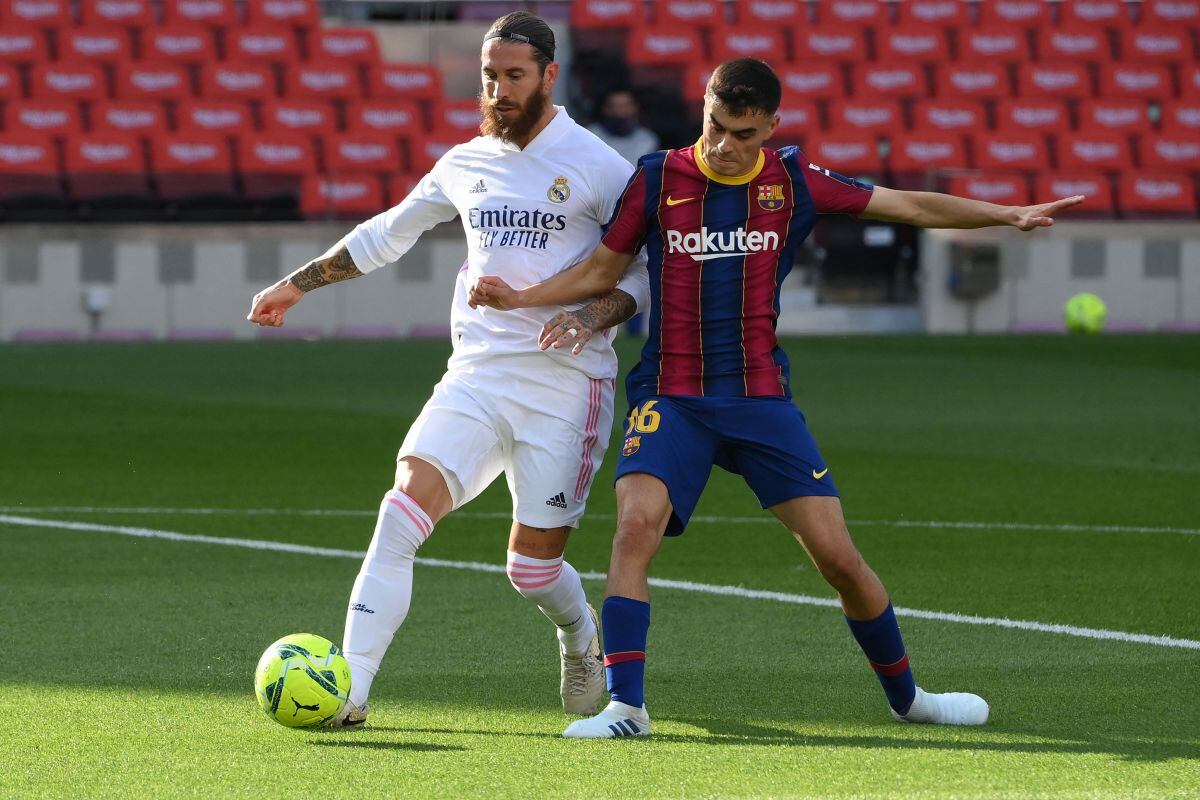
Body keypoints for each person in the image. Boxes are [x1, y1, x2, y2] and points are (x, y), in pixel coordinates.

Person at [468, 57, 1084, 738]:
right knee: (635, 527)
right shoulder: (657, 177)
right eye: (717, 127)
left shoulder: (794, 181)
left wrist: (1009, 214)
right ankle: (628, 708)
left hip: (759, 396)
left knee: (839, 560)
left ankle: (911, 700)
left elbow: (907, 204)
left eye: (744, 134)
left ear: (771, 128)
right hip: (671, 392)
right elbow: (600, 269)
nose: (727, 146)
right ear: (703, 108)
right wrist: (522, 297)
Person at [246, 11, 650, 727]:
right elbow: (387, 233)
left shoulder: (598, 165)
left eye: (513, 77)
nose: (497, 90)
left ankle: (578, 632)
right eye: (489, 77)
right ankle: (352, 690)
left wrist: (587, 319)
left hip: (566, 386)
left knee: (529, 571)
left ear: (549, 77)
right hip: (477, 373)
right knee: (399, 513)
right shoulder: (466, 162)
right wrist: (296, 285)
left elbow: (642, 278)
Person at [587, 88, 660, 167]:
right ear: (604, 109)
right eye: (614, 106)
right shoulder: (589, 135)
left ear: (636, 107)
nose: (621, 111)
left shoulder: (648, 140)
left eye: (626, 105)